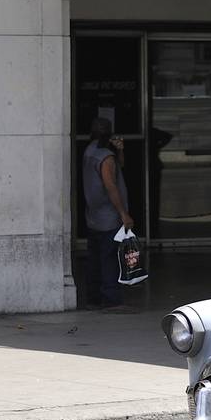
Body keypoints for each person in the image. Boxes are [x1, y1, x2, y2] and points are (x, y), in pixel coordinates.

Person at [80, 117, 133, 309]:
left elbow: (119, 168)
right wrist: (123, 213)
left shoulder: (90, 151)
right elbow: (111, 186)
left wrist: (119, 151)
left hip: (93, 215)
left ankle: (93, 296)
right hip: (108, 217)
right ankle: (110, 298)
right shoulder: (105, 157)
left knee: (94, 259)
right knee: (109, 258)